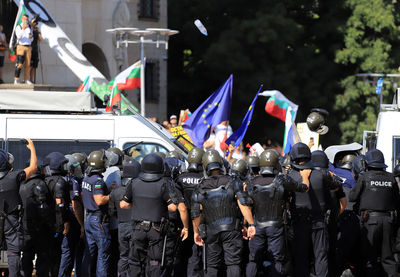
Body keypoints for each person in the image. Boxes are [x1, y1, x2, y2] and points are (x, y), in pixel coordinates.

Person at [191, 149, 256, 277]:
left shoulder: (199, 187)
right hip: (231, 229)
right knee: (233, 264)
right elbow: (243, 203)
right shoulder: (233, 181)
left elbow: (196, 213)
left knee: (212, 265)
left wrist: (196, 232)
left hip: (211, 231)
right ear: (221, 164)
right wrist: (251, 224)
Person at [246, 149, 308, 277]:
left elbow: (246, 204)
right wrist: (305, 177)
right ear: (275, 164)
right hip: (276, 227)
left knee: (253, 259)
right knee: (277, 259)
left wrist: (247, 224)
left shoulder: (252, 183)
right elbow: (302, 188)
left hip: (257, 225)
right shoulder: (282, 180)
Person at [120, 153, 179, 277]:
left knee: (136, 261)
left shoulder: (134, 182)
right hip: (156, 230)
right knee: (155, 262)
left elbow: (123, 204)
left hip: (138, 229)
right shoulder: (163, 183)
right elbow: (173, 207)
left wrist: (137, 205)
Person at [288, 142, 341, 277]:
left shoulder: (289, 177)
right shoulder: (321, 174)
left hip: (299, 222)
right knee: (321, 256)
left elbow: (286, 201)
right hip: (319, 222)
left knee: (301, 257)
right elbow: (336, 187)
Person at [349, 149, 399, 276]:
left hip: (370, 222)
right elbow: (396, 199)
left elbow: (352, 197)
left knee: (369, 258)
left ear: (367, 163)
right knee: (388, 258)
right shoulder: (391, 177)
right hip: (388, 221)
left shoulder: (364, 177)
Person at [81, 150, 112, 277]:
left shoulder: (87, 177)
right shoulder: (98, 180)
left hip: (89, 219)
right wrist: (112, 195)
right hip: (98, 221)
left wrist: (108, 190)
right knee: (103, 254)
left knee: (89, 253)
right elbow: (99, 200)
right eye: (104, 161)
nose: (106, 163)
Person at [175, 147, 205, 277]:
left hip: (183, 222)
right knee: (196, 253)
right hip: (200, 220)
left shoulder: (180, 178)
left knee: (181, 252)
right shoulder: (204, 179)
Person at [109, 159, 140, 277]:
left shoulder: (115, 191)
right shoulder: (138, 190)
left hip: (122, 226)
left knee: (123, 256)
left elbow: (112, 212)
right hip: (135, 226)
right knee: (135, 256)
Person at [14, 13, 33, 84]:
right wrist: (23, 29)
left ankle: (26, 79)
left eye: (26, 19)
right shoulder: (19, 27)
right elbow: (18, 37)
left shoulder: (29, 27)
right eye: (24, 19)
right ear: (22, 19)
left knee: (28, 64)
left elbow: (31, 38)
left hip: (28, 47)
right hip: (21, 46)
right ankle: (16, 79)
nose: (25, 21)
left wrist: (30, 36)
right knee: (20, 63)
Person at [29, 15, 42, 84]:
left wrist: (38, 31)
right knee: (30, 65)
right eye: (34, 22)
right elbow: (29, 38)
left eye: (36, 23)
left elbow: (41, 39)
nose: (35, 24)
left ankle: (32, 80)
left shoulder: (37, 31)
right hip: (30, 49)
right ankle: (27, 79)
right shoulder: (29, 30)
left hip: (35, 49)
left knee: (34, 66)